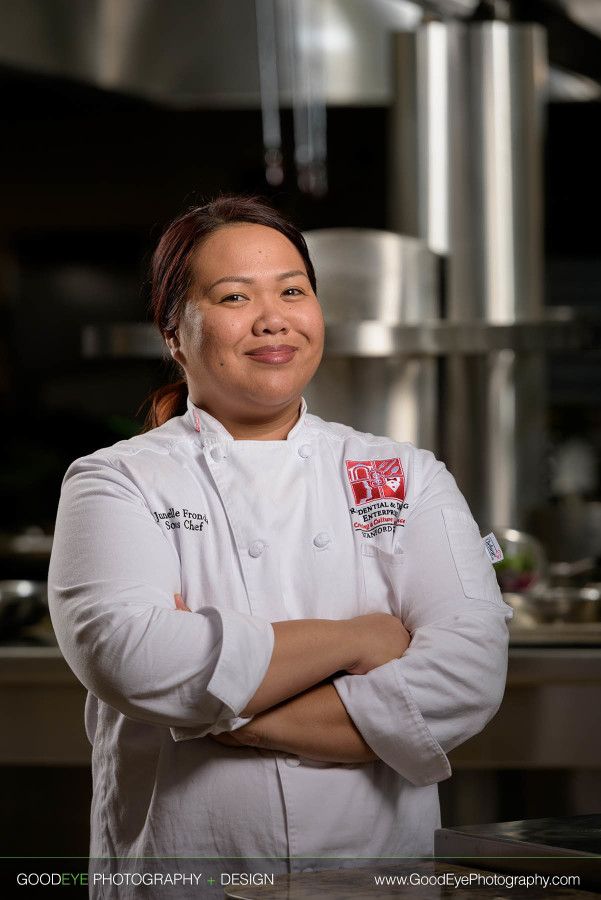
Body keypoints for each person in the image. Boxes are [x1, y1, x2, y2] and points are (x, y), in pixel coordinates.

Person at [48, 195, 512, 899]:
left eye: (293, 290)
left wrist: (230, 715)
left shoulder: (405, 474)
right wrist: (360, 639)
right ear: (174, 332)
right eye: (234, 295)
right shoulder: (117, 479)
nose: (273, 318)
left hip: (375, 880)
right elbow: (133, 659)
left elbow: (467, 676)